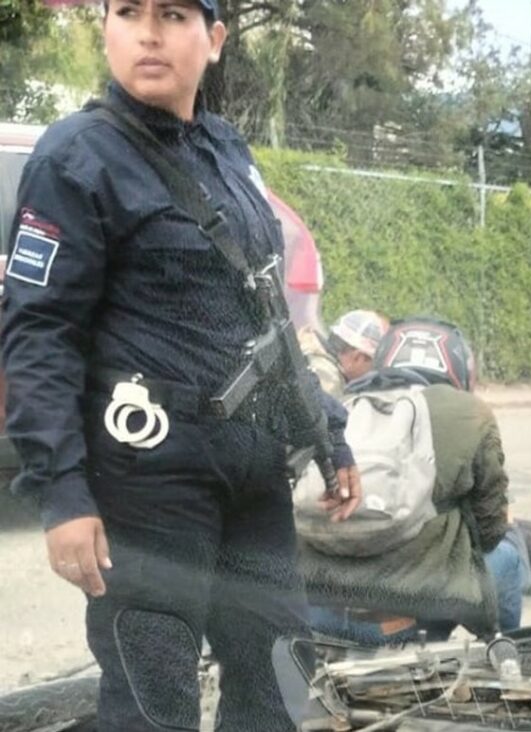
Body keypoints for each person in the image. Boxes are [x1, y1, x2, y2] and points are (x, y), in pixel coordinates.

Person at [1, 1, 363, 728]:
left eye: (172, 13)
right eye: (127, 11)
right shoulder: (74, 159)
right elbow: (38, 335)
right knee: (152, 701)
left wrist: (327, 431)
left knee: (278, 682)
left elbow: (264, 316)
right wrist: (63, 494)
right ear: (106, 28)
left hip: (253, 474)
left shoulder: (229, 152)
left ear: (216, 40)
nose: (148, 31)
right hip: (148, 482)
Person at [301, 318, 530, 644]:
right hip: (407, 624)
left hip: (315, 615)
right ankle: (505, 656)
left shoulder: (342, 403)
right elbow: (490, 530)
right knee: (510, 551)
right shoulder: (470, 412)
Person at [298, 309, 390, 397]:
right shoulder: (329, 386)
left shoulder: (305, 345)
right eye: (376, 367)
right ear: (358, 358)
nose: (376, 375)